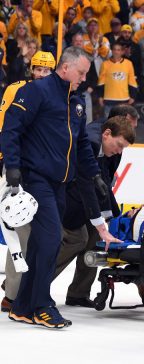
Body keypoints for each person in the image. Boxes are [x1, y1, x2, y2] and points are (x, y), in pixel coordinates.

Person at [0, 47, 107, 329]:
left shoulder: (77, 101)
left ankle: (22, 306)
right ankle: (42, 305)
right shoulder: (38, 91)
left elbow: (82, 142)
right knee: (49, 241)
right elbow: (11, 127)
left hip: (61, 183)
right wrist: (12, 166)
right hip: (35, 178)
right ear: (66, 68)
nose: (84, 78)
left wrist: (95, 174)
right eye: (81, 72)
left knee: (40, 244)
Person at [54, 116, 135, 308]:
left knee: (95, 241)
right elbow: (87, 188)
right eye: (119, 145)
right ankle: (27, 287)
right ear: (107, 134)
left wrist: (115, 217)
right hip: (66, 200)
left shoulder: (107, 149)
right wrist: (102, 222)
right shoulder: (90, 143)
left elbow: (103, 186)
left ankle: (78, 294)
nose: (119, 151)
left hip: (82, 203)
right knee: (76, 240)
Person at [0, 51, 56, 313]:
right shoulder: (16, 90)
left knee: (36, 234)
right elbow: (5, 125)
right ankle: (12, 293)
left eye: (47, 70)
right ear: (30, 69)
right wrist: (8, 163)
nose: (42, 74)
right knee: (20, 231)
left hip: (41, 171)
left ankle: (21, 288)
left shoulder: (57, 95)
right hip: (17, 170)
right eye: (38, 69)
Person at [97, 41, 138, 117]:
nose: (116, 52)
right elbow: (101, 82)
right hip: (109, 99)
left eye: (118, 50)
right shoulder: (105, 64)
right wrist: (100, 96)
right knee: (108, 122)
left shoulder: (128, 63)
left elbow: (132, 81)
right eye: (114, 49)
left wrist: (133, 96)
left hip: (123, 99)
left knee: (122, 123)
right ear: (111, 51)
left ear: (122, 52)